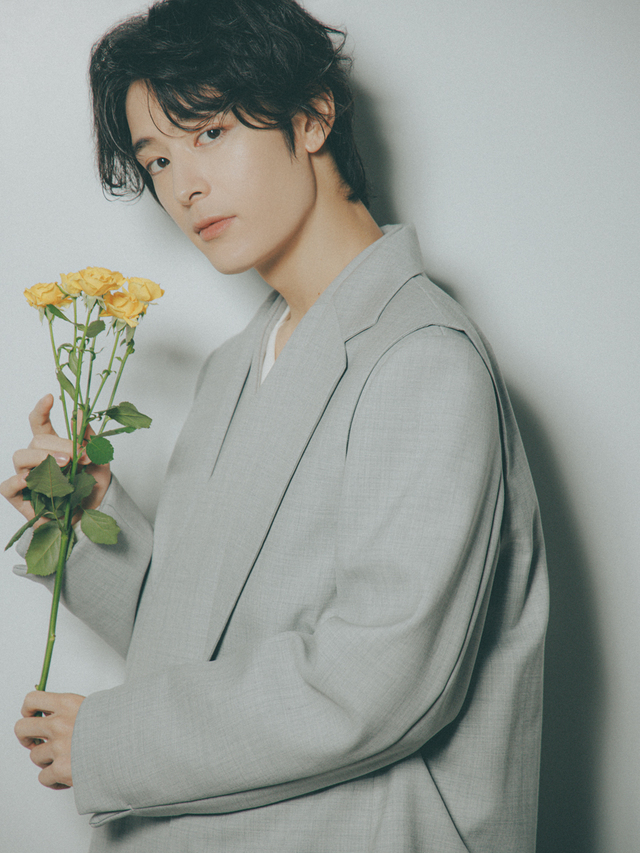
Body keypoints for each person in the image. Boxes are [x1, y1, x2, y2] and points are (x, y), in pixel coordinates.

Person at [2, 0, 549, 850]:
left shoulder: (421, 358)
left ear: (313, 116)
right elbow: (198, 640)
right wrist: (79, 523)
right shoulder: (235, 364)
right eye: (157, 159)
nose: (183, 186)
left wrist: (110, 741)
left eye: (210, 132)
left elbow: (376, 684)